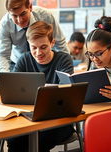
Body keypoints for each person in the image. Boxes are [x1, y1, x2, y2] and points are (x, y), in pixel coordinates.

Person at [7, 21, 74, 152]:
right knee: (13, 139)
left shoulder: (63, 60)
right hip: (28, 117)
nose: (38, 53)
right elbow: (12, 91)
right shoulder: (24, 60)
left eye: (43, 47)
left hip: (59, 120)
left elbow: (65, 94)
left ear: (52, 43)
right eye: (34, 47)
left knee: (38, 139)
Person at [0, 0, 68, 72]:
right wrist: (5, 77)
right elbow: (3, 55)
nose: (19, 20)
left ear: (30, 7)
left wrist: (65, 66)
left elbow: (60, 44)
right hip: (18, 63)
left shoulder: (45, 16)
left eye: (23, 14)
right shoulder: (5, 24)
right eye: (14, 16)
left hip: (44, 63)